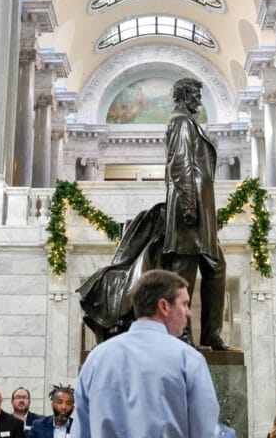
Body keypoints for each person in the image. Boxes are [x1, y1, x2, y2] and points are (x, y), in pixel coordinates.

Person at [73, 269, 220, 438]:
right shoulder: (188, 359)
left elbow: (81, 430)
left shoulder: (96, 359)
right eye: (184, 304)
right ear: (164, 306)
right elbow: (204, 430)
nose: (189, 312)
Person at [160, 77, 230, 350]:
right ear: (183, 96)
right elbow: (179, 164)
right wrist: (189, 204)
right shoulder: (179, 122)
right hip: (188, 206)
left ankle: (211, 333)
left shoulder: (188, 123)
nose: (198, 101)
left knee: (216, 266)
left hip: (201, 207)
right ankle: (181, 333)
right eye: (194, 95)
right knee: (183, 273)